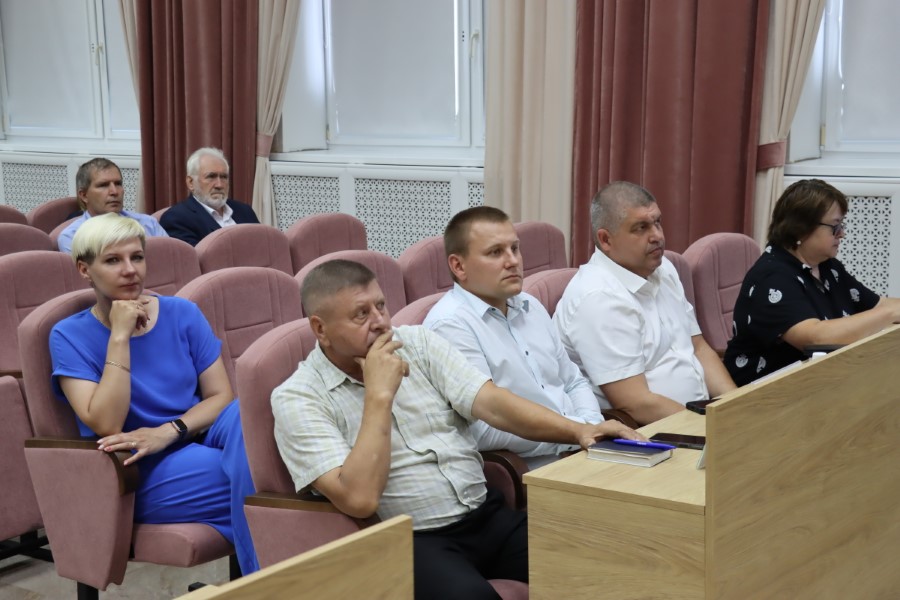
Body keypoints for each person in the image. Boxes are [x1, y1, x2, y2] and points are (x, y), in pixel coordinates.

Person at [271, 259, 641, 600]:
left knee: (602, 560)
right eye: (360, 314)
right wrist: (379, 396)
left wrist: (579, 431)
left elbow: (492, 403)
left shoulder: (417, 343)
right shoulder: (298, 397)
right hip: (411, 540)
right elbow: (360, 499)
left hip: (484, 515)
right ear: (321, 329)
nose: (381, 322)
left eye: (381, 306)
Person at [50, 213, 258, 574]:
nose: (130, 270)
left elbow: (221, 396)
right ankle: (272, 584)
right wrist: (119, 336)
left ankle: (265, 582)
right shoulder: (67, 335)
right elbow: (107, 422)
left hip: (192, 433)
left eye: (137, 257)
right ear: (84, 269)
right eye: (113, 260)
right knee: (265, 479)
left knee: (249, 415)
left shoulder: (182, 312)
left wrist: (170, 430)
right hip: (140, 466)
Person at [424, 206, 604, 468]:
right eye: (495, 252)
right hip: (534, 467)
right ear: (459, 266)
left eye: (515, 248)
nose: (513, 261)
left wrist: (591, 429)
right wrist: (573, 435)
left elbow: (573, 382)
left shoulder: (531, 306)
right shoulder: (450, 325)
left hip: (582, 448)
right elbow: (483, 429)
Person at [554, 181, 736, 426]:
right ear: (606, 240)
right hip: (650, 432)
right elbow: (635, 403)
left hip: (696, 419)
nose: (657, 236)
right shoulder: (599, 298)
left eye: (657, 222)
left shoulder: (663, 268)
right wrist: (712, 428)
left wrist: (736, 409)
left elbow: (698, 348)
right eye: (641, 228)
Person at [725, 179, 900, 385]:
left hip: (819, 381)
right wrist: (890, 313)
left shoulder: (827, 266)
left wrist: (889, 310)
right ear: (801, 229)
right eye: (835, 227)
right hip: (765, 392)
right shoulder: (772, 278)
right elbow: (816, 339)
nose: (842, 234)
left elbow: (877, 304)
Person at [57, 158, 168, 254]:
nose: (114, 191)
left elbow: (172, 261)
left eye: (118, 184)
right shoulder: (72, 237)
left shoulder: (148, 224)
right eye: (103, 185)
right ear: (84, 195)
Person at [160, 147, 260, 246]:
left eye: (224, 177)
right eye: (211, 176)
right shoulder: (176, 219)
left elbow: (264, 245)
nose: (219, 185)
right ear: (191, 183)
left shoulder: (245, 211)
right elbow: (194, 255)